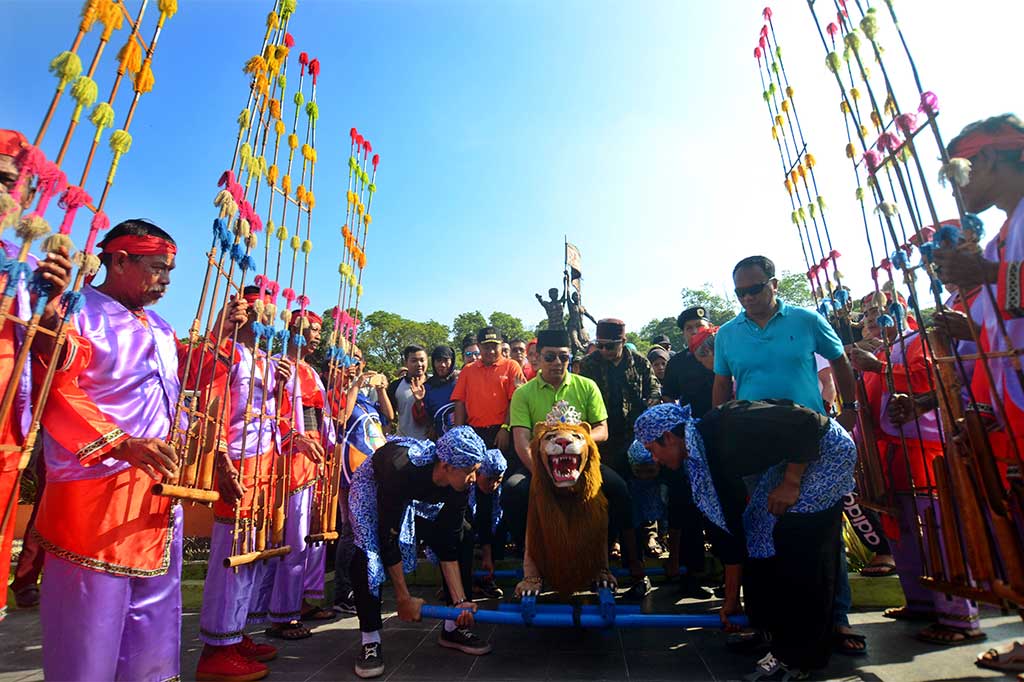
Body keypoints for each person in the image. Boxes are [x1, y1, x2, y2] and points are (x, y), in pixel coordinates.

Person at [31, 220, 185, 680]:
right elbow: (55, 388)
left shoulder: (161, 328)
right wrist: (121, 444)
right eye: (157, 269)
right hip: (95, 497)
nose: (166, 282)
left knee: (153, 624)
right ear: (119, 260)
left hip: (158, 495)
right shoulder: (78, 312)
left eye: (170, 272)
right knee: (89, 629)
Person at [636, 400, 857, 679]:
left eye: (651, 449)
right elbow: (728, 531)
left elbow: (807, 422)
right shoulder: (701, 461)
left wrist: (791, 482)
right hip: (793, 460)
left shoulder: (728, 424)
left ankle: (800, 659)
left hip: (826, 453)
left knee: (797, 544)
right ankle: (770, 632)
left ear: (668, 436)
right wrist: (731, 600)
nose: (654, 459)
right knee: (757, 531)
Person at [712, 255, 865, 656]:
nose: (747, 298)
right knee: (765, 531)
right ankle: (778, 621)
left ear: (774, 284)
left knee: (824, 534)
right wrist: (720, 430)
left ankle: (837, 617)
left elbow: (840, 360)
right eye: (740, 292)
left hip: (810, 443)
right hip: (756, 447)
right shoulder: (728, 334)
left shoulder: (807, 319)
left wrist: (851, 408)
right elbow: (721, 385)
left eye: (755, 288)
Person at [193, 286, 317, 681]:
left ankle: (236, 632)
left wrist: (291, 422)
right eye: (263, 309)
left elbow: (279, 421)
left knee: (254, 553)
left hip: (267, 466)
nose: (273, 317)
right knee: (231, 553)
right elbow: (207, 402)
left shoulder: (269, 361)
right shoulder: (226, 352)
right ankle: (215, 649)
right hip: (237, 463)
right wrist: (221, 457)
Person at [849, 291, 983, 644]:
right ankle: (921, 602)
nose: (872, 320)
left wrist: (875, 367)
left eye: (878, 311)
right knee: (900, 527)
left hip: (923, 449)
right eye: (866, 315)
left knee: (936, 528)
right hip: (887, 454)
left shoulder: (918, 340)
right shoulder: (880, 351)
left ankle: (959, 617)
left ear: (900, 310)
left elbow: (929, 380)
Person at [507, 328, 649, 596]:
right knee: (514, 492)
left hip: (582, 467)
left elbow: (602, 430)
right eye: (550, 357)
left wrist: (577, 438)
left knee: (618, 490)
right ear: (537, 357)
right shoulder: (523, 393)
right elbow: (521, 440)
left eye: (563, 357)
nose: (557, 364)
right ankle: (533, 558)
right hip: (538, 466)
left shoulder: (587, 386)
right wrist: (542, 473)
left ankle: (617, 561)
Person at [347, 427, 490, 678]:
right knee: (368, 554)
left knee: (464, 534)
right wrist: (404, 598)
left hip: (419, 493)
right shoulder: (400, 470)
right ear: (446, 465)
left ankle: (452, 626)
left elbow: (449, 541)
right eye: (470, 472)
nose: (474, 477)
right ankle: (370, 640)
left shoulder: (460, 481)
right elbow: (387, 538)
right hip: (376, 486)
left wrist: (459, 603)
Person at [0, 128, 73, 620]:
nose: (3, 192)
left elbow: (51, 355)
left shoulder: (20, 272)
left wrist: (50, 311)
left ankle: (25, 579)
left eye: (11, 184)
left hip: (10, 428)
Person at [261, 309, 335, 639]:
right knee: (293, 538)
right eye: (311, 330)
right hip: (289, 465)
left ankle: (304, 600)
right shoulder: (280, 365)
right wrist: (296, 438)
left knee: (311, 538)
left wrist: (328, 446)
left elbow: (322, 417)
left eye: (320, 331)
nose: (317, 336)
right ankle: (283, 614)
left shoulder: (313, 372)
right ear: (292, 331)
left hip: (314, 463)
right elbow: (270, 414)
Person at [331, 347, 390, 616]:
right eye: (345, 359)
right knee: (350, 530)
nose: (352, 364)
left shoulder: (366, 399)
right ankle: (343, 592)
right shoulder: (335, 391)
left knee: (369, 528)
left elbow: (388, 418)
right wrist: (354, 384)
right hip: (350, 471)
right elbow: (341, 416)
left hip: (372, 470)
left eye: (356, 359)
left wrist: (381, 389)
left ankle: (366, 584)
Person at [451, 326, 525, 454]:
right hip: (474, 433)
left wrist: (505, 428)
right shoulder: (468, 370)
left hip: (502, 432)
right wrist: (458, 433)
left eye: (494, 346)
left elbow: (515, 400)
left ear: (501, 345)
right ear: (479, 347)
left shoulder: (511, 366)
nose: (490, 351)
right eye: (486, 347)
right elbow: (460, 402)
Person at [661, 306, 715, 417]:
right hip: (694, 424)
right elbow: (668, 394)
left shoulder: (725, 352)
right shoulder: (677, 362)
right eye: (689, 328)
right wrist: (679, 419)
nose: (695, 331)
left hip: (728, 419)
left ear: (710, 327)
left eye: (699, 326)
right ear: (683, 333)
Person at [386, 345, 431, 440]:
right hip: (404, 444)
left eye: (422, 360)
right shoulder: (395, 386)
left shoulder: (435, 384)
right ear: (405, 363)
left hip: (431, 445)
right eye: (414, 360)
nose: (419, 364)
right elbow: (388, 418)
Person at [421, 344, 460, 438]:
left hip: (463, 437)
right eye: (438, 361)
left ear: (452, 361)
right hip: (440, 440)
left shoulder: (460, 382)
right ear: (433, 363)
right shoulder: (427, 387)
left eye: (446, 360)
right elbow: (425, 416)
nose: (442, 365)